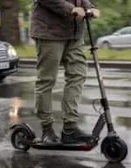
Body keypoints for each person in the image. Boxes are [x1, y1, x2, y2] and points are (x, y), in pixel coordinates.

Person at [30, 0, 100, 144]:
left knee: (78, 75)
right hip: (50, 33)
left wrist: (90, 7)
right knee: (47, 80)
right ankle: (47, 129)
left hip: (74, 34)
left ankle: (70, 128)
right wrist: (71, 9)